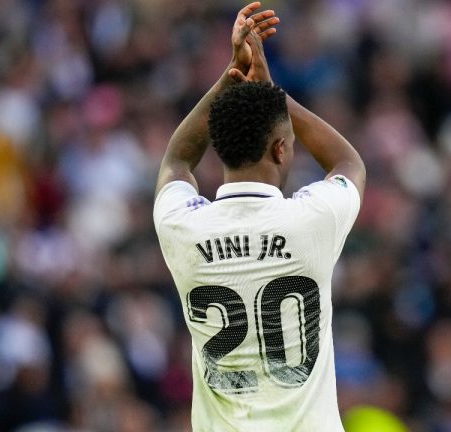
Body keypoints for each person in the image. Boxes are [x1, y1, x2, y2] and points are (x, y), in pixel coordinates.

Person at [153, 2, 366, 430]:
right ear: (281, 148)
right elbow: (348, 163)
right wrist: (273, 95)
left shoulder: (183, 225)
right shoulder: (312, 220)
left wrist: (230, 76)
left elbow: (176, 161)